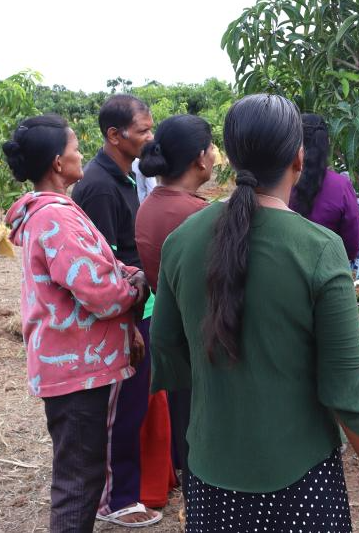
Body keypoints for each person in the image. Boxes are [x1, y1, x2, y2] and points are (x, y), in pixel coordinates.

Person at [150, 94, 359, 531]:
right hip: (299, 478)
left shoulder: (182, 240)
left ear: (229, 157)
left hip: (208, 470)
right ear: (298, 157)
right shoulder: (318, 250)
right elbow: (346, 383)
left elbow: (166, 343)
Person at [2, 115, 148, 533]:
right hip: (76, 369)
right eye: (74, 147)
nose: (80, 153)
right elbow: (99, 292)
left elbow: (100, 263)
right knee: (78, 483)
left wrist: (125, 273)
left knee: (81, 476)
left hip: (73, 364)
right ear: (57, 162)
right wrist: (135, 289)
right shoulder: (56, 218)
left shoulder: (55, 212)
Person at [71, 94, 160, 527]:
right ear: (114, 135)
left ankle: (123, 488)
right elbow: (102, 271)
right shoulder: (100, 187)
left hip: (137, 310)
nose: (150, 135)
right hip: (122, 318)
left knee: (132, 407)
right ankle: (115, 500)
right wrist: (130, 327)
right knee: (119, 410)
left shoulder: (125, 177)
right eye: (142, 129)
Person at [134, 115, 216, 509]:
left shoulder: (151, 204)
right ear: (200, 158)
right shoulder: (198, 214)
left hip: (174, 330)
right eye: (213, 147)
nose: (217, 155)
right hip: (203, 335)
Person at [289, 114, 359, 262]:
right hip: (330, 271)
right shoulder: (341, 186)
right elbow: (353, 243)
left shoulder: (281, 183)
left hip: (288, 271)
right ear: (327, 143)